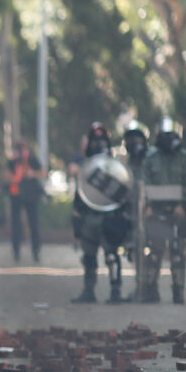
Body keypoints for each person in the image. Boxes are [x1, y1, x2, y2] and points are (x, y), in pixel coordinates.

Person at [69, 122, 131, 304]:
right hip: (89, 215)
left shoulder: (114, 165)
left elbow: (123, 189)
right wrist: (77, 218)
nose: (98, 143)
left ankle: (115, 291)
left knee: (111, 254)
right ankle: (89, 291)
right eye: (95, 140)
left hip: (110, 215)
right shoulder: (85, 166)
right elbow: (81, 193)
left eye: (102, 139)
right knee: (88, 254)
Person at [139, 117, 186, 303]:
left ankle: (178, 291)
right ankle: (151, 290)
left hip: (177, 212)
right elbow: (144, 182)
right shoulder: (151, 157)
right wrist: (147, 206)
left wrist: (183, 205)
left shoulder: (185, 157)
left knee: (178, 253)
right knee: (154, 252)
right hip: (155, 212)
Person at [4, 139, 46, 263]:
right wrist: (15, 177)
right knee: (16, 225)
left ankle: (36, 251)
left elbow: (43, 173)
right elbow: (6, 176)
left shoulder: (32, 160)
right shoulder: (12, 161)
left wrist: (32, 173)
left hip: (31, 195)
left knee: (34, 224)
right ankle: (16, 251)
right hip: (16, 195)